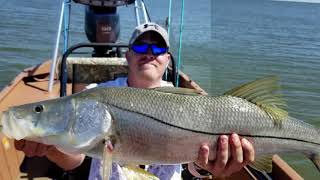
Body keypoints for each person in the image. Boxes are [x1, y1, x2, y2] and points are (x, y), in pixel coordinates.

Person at [14, 22, 255, 179]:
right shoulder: (96, 93)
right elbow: (75, 161)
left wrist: (206, 167)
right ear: (128, 56)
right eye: (141, 45)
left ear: (167, 60)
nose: (149, 52)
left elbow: (192, 166)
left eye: (158, 48)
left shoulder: (191, 104)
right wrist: (52, 149)